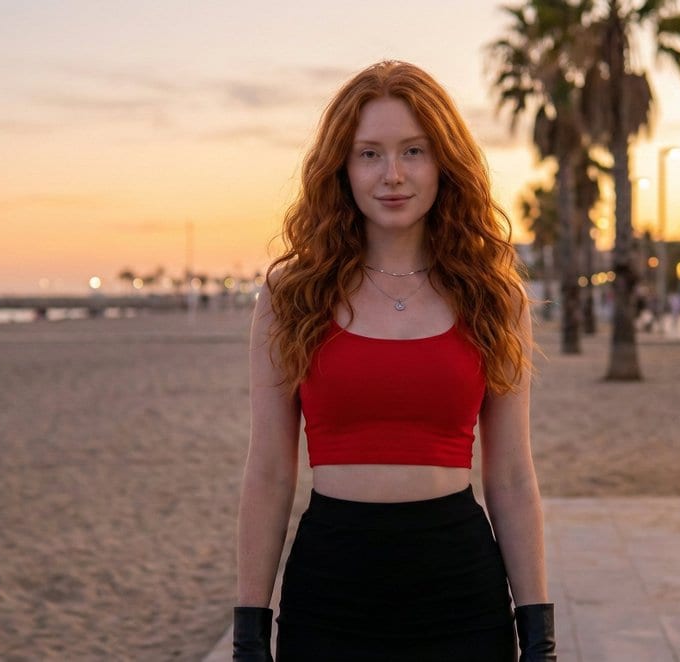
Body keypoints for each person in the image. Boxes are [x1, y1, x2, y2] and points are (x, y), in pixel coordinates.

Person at [234, 61, 554, 662]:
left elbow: (511, 476)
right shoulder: (291, 294)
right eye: (369, 154)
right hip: (330, 588)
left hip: (460, 589)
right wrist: (250, 630)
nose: (393, 175)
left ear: (443, 163)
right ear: (343, 168)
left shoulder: (493, 295)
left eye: (414, 150)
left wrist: (538, 633)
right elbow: (270, 472)